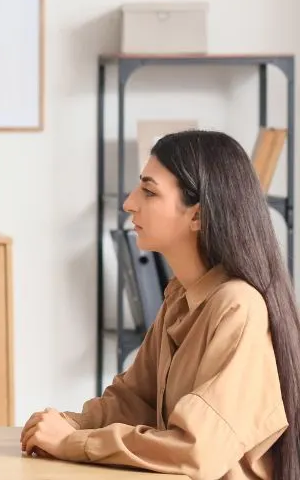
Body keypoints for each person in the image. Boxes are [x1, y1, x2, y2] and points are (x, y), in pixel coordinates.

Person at [21, 129, 300, 480]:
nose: (129, 203)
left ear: (197, 216)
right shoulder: (180, 297)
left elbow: (198, 451)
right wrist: (69, 423)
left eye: (149, 191)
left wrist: (76, 442)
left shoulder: (237, 306)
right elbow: (136, 401)